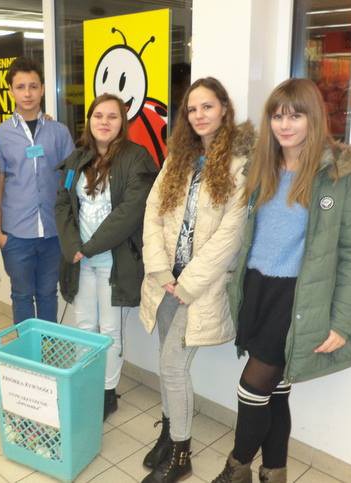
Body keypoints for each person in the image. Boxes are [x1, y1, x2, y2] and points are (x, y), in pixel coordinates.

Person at [212, 78, 351, 483]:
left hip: (296, 298)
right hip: (256, 289)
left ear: (313, 118)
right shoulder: (260, 167)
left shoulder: (341, 176)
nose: (285, 125)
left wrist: (343, 320)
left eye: (295, 116)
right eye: (277, 116)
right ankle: (274, 472)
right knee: (275, 391)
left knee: (253, 388)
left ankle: (235, 469)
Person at [139, 77, 255, 483]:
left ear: (224, 108)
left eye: (207, 106)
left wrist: (186, 284)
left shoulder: (240, 165)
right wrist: (160, 270)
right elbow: (153, 212)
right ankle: (169, 434)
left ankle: (181, 454)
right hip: (164, 282)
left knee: (173, 366)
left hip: (198, 289)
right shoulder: (179, 158)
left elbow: (230, 236)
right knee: (165, 360)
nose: (199, 115)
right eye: (192, 109)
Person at [55, 93, 158, 419]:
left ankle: (107, 392)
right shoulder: (77, 158)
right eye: (98, 115)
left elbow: (130, 212)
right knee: (84, 325)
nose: (104, 122)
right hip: (80, 261)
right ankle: (87, 383)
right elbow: (63, 204)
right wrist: (72, 246)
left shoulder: (136, 158)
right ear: (89, 120)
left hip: (114, 261)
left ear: (122, 122)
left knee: (111, 331)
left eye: (112, 116)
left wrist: (88, 247)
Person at [0, 57, 75, 324]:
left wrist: (68, 225)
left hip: (52, 233)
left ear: (42, 89)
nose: (27, 93)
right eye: (20, 87)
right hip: (16, 234)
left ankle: (47, 346)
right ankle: (27, 348)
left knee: (48, 294)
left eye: (33, 86)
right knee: (22, 295)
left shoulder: (58, 132)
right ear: (11, 91)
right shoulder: (0, 135)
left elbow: (70, 179)